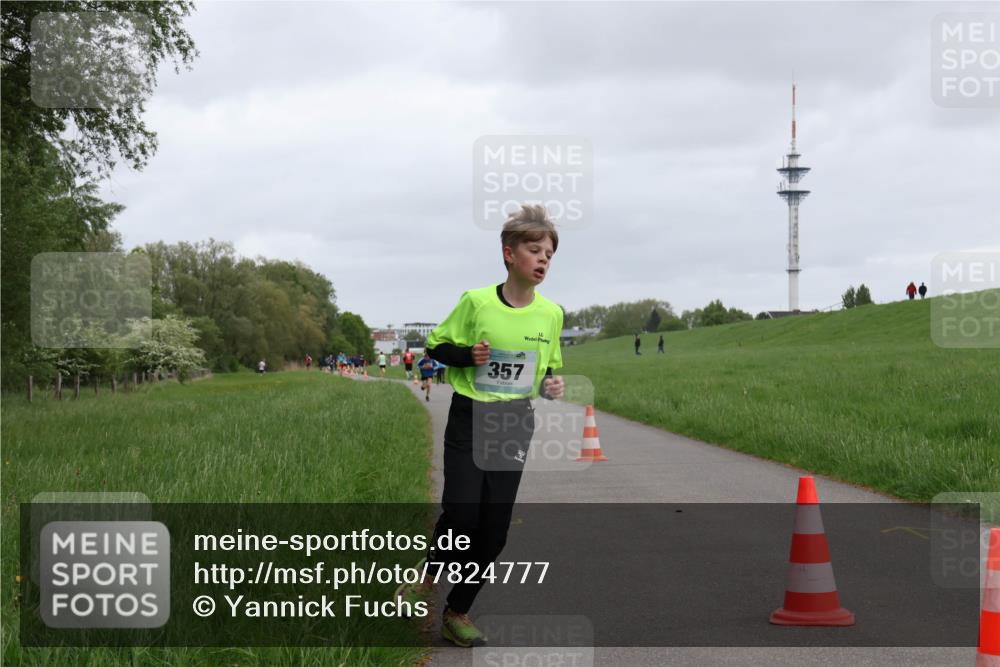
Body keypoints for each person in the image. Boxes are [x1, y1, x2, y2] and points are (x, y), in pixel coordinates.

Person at [394, 204, 564, 648]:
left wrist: (551, 385)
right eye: (534, 250)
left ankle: (458, 611)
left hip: (513, 422)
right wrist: (469, 356)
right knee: (463, 513)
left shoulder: (552, 314)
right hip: (472, 415)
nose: (543, 260)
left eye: (549, 253)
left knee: (493, 532)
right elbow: (437, 347)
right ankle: (426, 579)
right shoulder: (476, 302)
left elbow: (546, 373)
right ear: (509, 254)